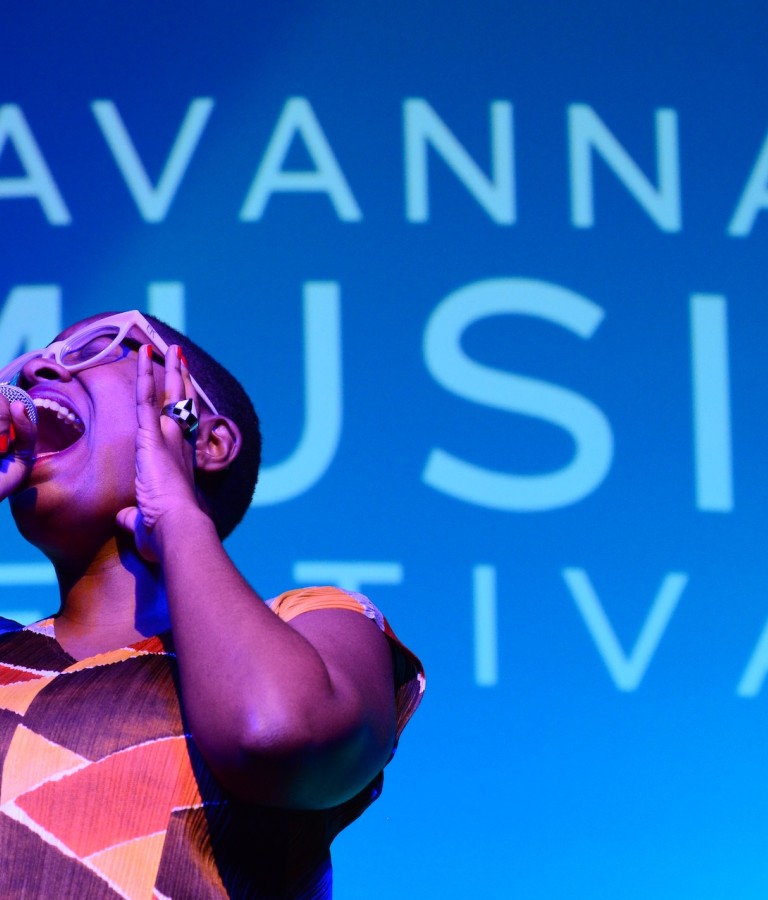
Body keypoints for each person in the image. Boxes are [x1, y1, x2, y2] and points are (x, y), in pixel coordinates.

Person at [0, 310, 424, 898]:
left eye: (98, 348)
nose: (40, 366)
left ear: (209, 438)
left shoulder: (312, 622)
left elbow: (277, 733)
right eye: (35, 360)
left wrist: (176, 515)